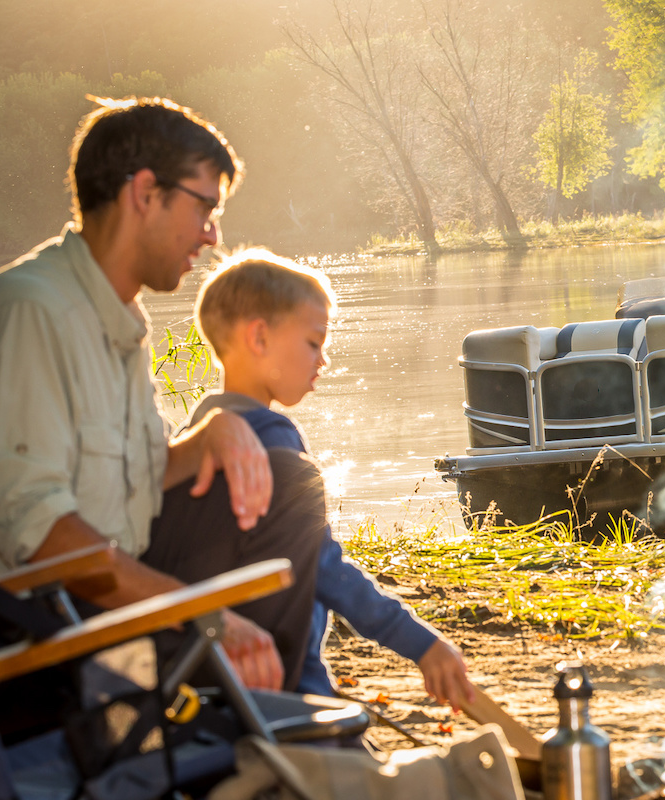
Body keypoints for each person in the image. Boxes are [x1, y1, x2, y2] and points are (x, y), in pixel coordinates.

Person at [0, 97, 326, 695]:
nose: (212, 233)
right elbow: (40, 533)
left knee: (288, 481)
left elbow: (139, 482)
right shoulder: (33, 311)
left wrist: (210, 437)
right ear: (145, 193)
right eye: (204, 207)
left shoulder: (120, 317)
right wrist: (197, 609)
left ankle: (265, 702)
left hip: (115, 574)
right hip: (47, 620)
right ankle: (244, 714)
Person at [188, 248, 475, 711]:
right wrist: (421, 644)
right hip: (287, 677)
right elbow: (324, 567)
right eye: (313, 342)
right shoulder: (275, 441)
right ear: (259, 337)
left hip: (208, 671)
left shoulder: (194, 436)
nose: (323, 360)